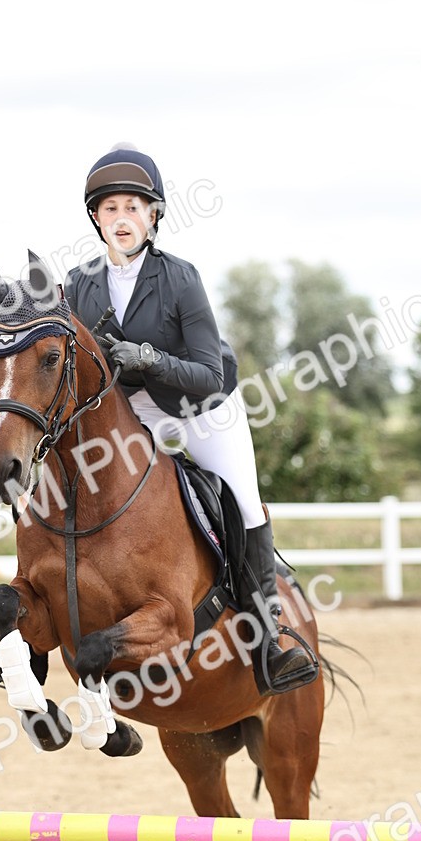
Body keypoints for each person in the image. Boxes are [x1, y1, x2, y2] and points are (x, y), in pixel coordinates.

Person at [63, 143, 317, 696]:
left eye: (134, 206)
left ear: (153, 216)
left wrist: (147, 358)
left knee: (244, 500)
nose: (122, 218)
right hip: (133, 412)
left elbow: (207, 372)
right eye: (110, 208)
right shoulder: (79, 282)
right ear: (96, 218)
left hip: (202, 407)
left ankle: (270, 637)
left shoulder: (179, 278)